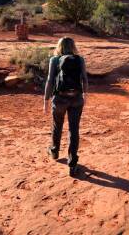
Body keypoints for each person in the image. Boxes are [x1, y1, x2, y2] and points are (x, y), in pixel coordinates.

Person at [43, 37, 88, 176]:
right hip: (76, 98)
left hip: (60, 99)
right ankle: (73, 163)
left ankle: (54, 151)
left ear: (59, 46)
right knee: (74, 130)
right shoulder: (80, 59)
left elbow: (50, 80)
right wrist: (85, 95)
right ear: (73, 46)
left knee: (57, 125)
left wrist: (46, 100)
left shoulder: (55, 60)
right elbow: (85, 79)